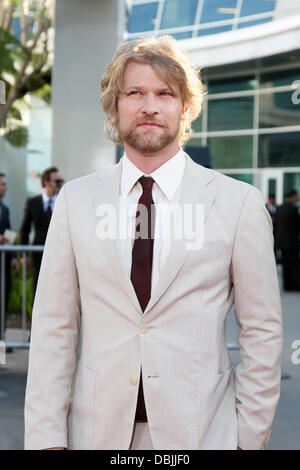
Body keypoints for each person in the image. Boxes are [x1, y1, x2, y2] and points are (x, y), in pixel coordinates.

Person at [24, 36, 282, 450]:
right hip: (95, 433)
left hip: (203, 433)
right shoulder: (76, 200)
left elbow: (262, 332)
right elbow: (54, 328)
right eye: (135, 93)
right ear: (115, 105)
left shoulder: (238, 203)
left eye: (164, 93)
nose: (149, 106)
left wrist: (247, 439)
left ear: (185, 106)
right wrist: (46, 439)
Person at [19, 167, 64, 298]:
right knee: (38, 290)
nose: (60, 184)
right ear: (46, 182)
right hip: (38, 254)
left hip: (60, 254)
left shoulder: (64, 201)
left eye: (61, 181)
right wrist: (24, 254)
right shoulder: (33, 202)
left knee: (58, 292)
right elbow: (25, 229)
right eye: (57, 181)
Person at [0, 173, 19, 342]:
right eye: (3, 184)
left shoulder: (5, 209)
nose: (6, 187)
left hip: (3, 266)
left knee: (3, 305)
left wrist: (13, 257)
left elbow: (8, 233)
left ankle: (2, 346)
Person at [274, 189, 300, 291]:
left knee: (285, 265)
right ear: (293, 196)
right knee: (294, 265)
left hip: (281, 242)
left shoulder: (279, 208)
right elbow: (296, 225)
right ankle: (294, 286)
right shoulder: (293, 208)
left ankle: (286, 286)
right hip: (291, 242)